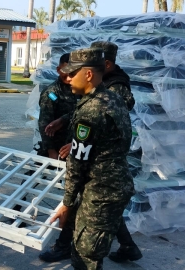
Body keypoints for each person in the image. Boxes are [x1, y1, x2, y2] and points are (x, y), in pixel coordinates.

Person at [50, 47, 137, 269]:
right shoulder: (111, 98)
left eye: (72, 73)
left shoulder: (91, 110)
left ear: (88, 74)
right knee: (90, 251)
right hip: (113, 185)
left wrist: (66, 204)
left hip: (101, 191)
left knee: (84, 255)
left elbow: (77, 163)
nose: (67, 78)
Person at [89, 41, 142, 263]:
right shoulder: (108, 82)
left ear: (107, 63)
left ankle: (85, 250)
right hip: (100, 151)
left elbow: (102, 120)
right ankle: (128, 246)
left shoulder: (116, 87)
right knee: (104, 203)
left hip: (104, 154)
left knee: (99, 202)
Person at [37, 53, 80, 262]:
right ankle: (18, 212)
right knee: (37, 182)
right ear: (58, 70)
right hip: (57, 150)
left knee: (74, 195)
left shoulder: (79, 90)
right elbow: (44, 124)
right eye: (65, 71)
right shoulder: (52, 93)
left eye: (73, 71)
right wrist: (51, 152)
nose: (69, 76)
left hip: (77, 150)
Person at [90, 41, 135, 111]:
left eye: (93, 63)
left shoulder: (115, 87)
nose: (89, 67)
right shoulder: (102, 77)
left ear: (107, 64)